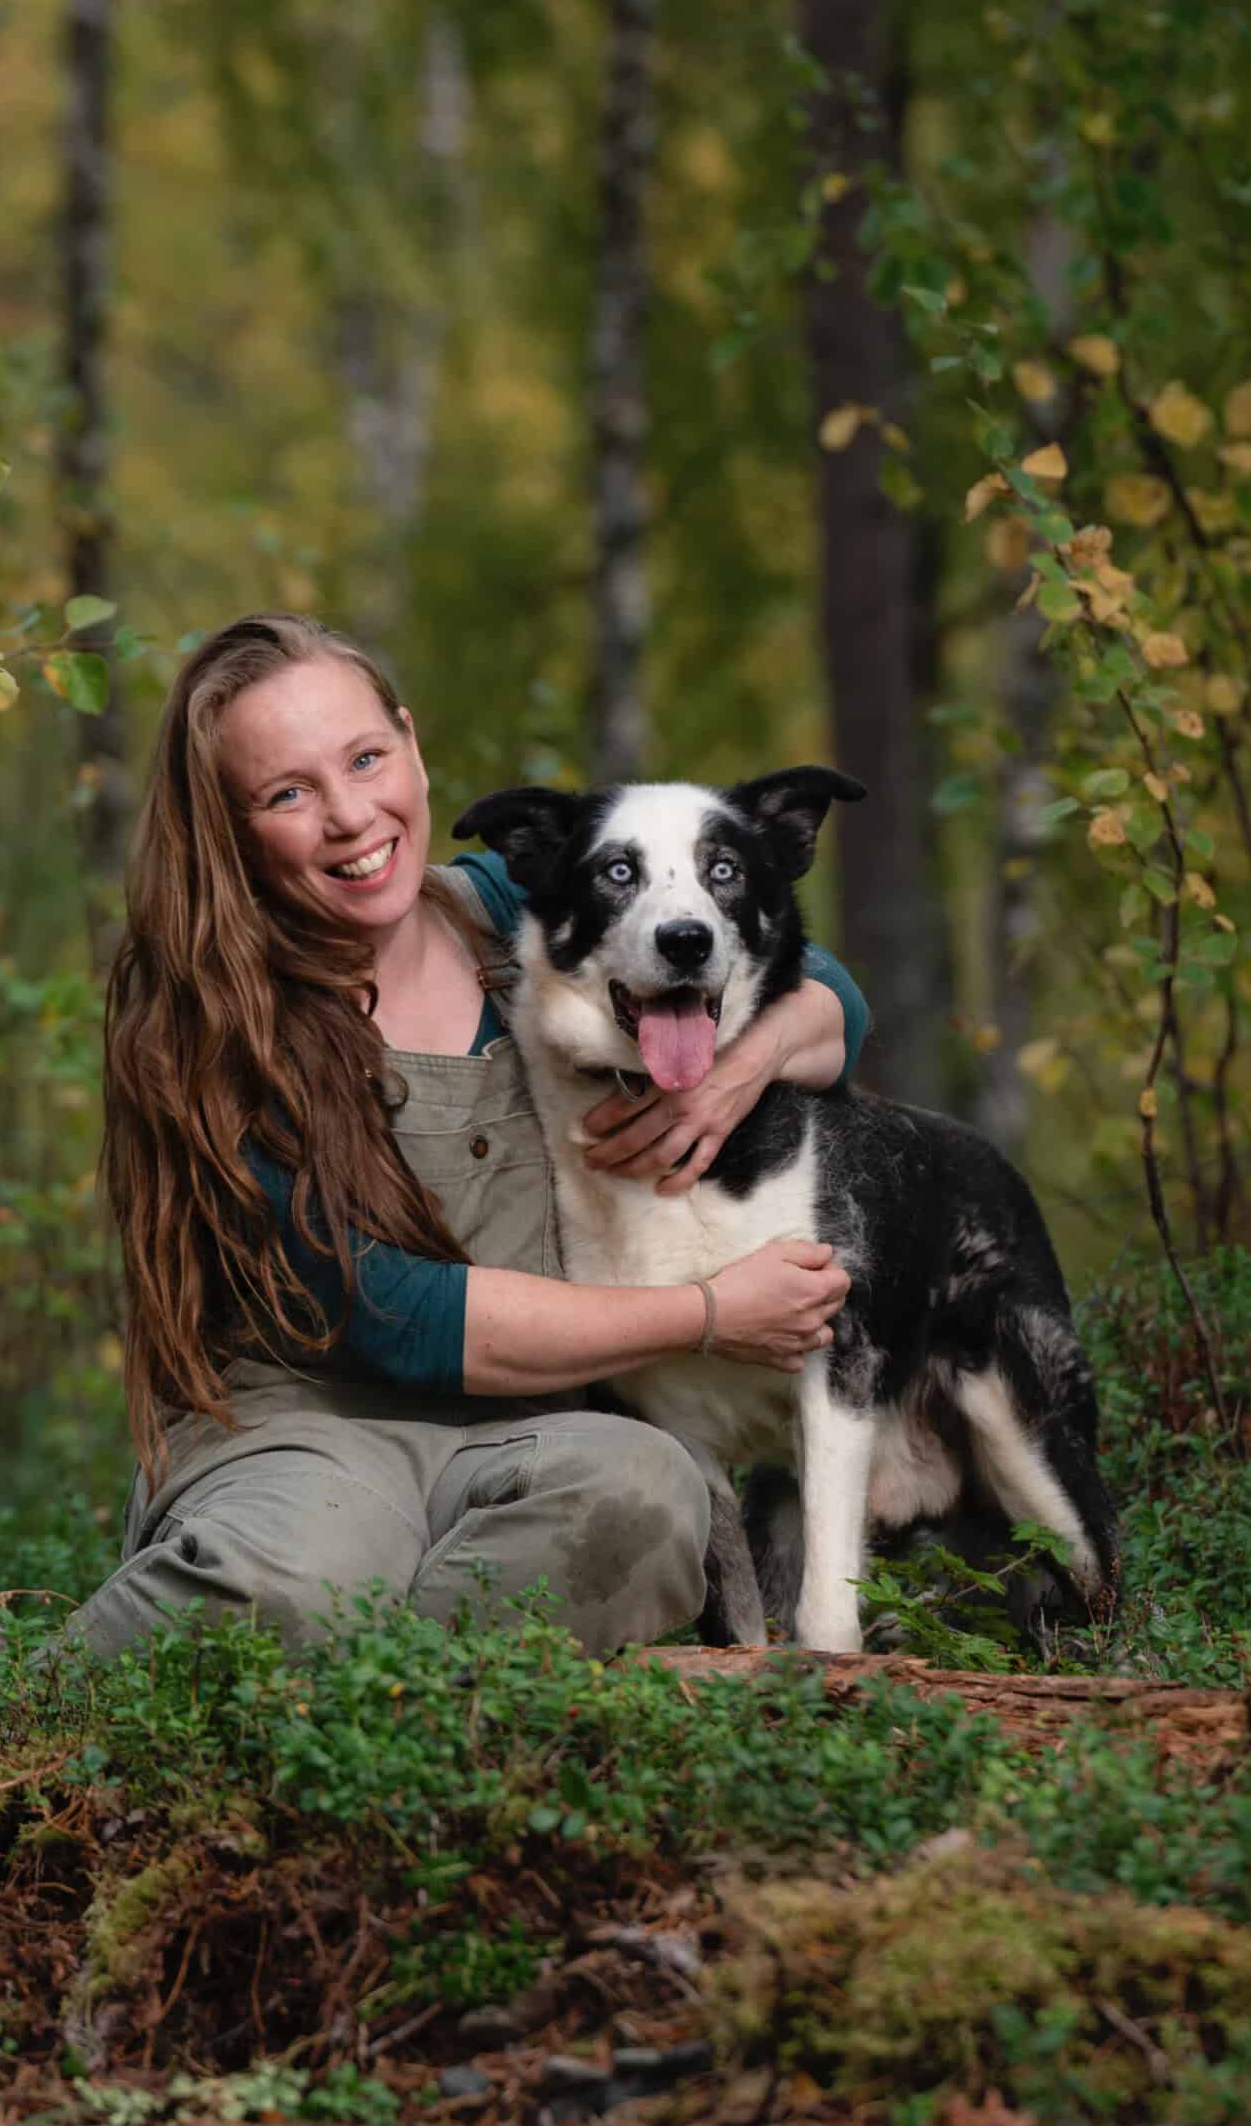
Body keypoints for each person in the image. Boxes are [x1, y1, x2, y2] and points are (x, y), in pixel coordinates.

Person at [58, 612, 860, 1665]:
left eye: (365, 758)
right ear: (230, 828)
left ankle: (364, 1720)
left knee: (644, 1497)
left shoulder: (510, 912)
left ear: (410, 741)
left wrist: (729, 1075)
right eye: (288, 794)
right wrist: (709, 1314)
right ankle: (26, 1700)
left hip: (535, 1434)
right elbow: (398, 1315)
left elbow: (827, 991)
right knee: (300, 1577)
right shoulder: (206, 1018)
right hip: (304, 1428)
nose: (351, 816)